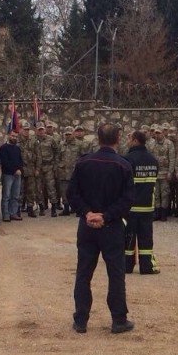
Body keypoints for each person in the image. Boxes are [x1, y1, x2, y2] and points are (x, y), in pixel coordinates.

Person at [67, 123, 135, 334]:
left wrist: (87, 213)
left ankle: (81, 320)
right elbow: (128, 199)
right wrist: (106, 216)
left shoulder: (83, 163)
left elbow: (71, 194)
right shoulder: (123, 165)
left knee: (83, 273)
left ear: (98, 138)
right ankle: (118, 319)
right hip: (111, 226)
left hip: (87, 226)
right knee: (116, 273)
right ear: (117, 138)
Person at [124, 130, 159, 274]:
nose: (127, 140)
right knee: (146, 239)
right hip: (147, 207)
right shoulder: (153, 160)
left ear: (135, 141)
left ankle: (127, 266)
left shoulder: (127, 159)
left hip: (131, 207)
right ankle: (146, 267)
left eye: (129, 138)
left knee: (128, 238)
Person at [0, 130, 24, 221]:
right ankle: (6, 214)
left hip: (18, 175)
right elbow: (5, 162)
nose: (14, 138)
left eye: (16, 136)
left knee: (16, 195)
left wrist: (20, 169)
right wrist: (14, 170)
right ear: (9, 136)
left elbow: (20, 161)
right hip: (8, 175)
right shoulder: (3, 148)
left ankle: (13, 213)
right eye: (13, 136)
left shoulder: (17, 148)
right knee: (6, 196)